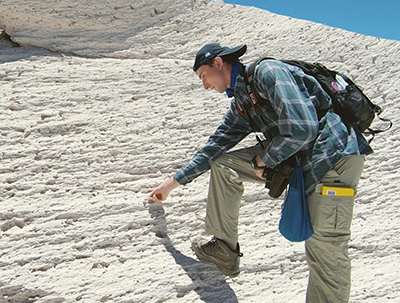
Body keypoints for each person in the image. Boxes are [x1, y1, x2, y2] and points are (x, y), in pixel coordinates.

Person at [148, 43, 372, 303]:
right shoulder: (244, 103)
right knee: (224, 166)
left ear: (218, 64)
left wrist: (265, 158)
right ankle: (224, 249)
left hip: (332, 156)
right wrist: (172, 183)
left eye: (203, 76)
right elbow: (214, 147)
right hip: (301, 160)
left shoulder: (268, 72)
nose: (205, 85)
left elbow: (303, 128)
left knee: (325, 248)